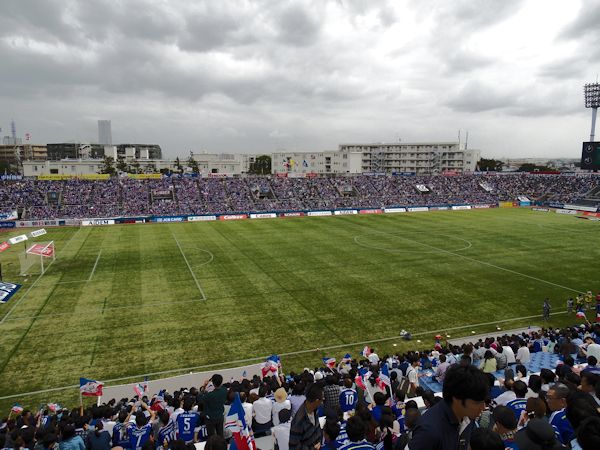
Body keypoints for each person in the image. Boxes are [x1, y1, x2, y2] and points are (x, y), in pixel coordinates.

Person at [408, 364, 489, 450]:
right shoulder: (428, 432)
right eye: (477, 403)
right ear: (457, 398)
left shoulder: (469, 416)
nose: (483, 407)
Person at [289, 383, 324, 450]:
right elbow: (293, 446)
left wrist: (319, 441)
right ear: (316, 401)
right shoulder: (298, 422)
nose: (322, 402)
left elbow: (317, 428)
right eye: (322, 399)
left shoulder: (315, 409)